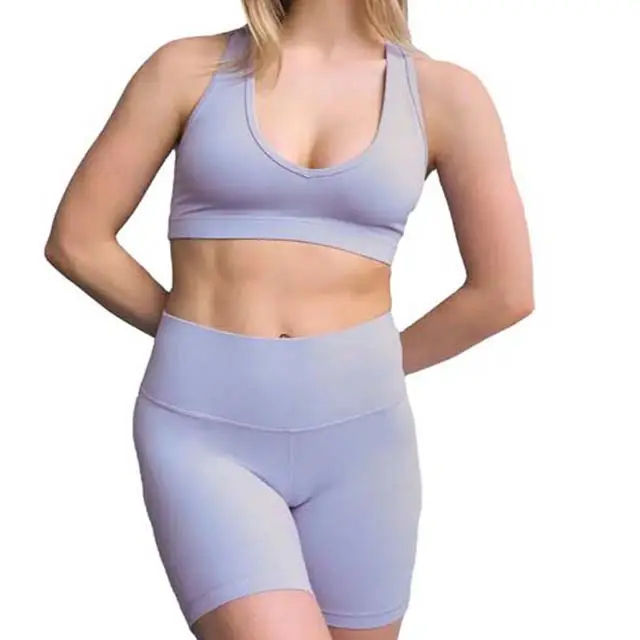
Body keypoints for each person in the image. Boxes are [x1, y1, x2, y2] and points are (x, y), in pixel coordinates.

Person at [44, 1, 534, 638]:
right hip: (204, 436)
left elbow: (504, 291)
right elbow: (78, 241)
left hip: (364, 443)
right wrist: (197, 342)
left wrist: (361, 366)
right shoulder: (186, 69)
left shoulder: (446, 94)